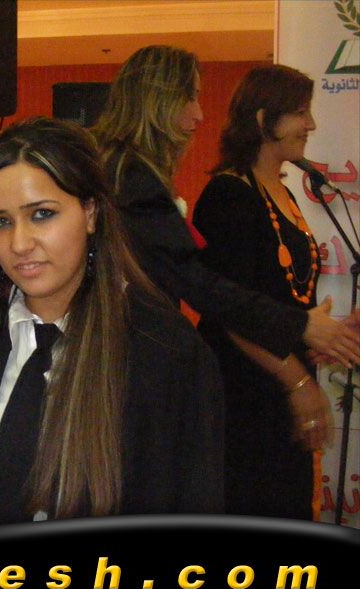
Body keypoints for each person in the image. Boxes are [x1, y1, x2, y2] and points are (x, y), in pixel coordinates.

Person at [0, 117, 224, 529]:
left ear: (90, 212)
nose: (19, 243)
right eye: (1, 221)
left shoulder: (164, 352)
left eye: (42, 214)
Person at [91, 45, 359, 371]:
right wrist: (301, 328)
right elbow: (197, 283)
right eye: (190, 98)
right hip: (129, 362)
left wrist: (311, 332)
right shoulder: (132, 178)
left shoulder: (126, 171)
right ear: (158, 101)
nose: (200, 115)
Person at [192, 65, 339, 519]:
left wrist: (320, 332)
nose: (311, 124)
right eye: (300, 112)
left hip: (281, 383)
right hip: (245, 394)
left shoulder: (285, 192)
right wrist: (298, 382)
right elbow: (231, 310)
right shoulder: (228, 195)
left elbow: (281, 297)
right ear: (262, 120)